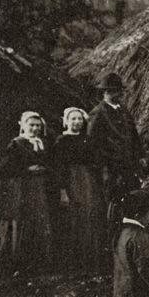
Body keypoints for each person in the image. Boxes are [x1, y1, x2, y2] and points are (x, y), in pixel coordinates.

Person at [87, 73, 145, 228]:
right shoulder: (98, 113)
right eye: (111, 90)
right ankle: (111, 236)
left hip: (128, 165)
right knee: (111, 203)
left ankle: (126, 233)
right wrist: (105, 164)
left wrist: (140, 156)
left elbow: (134, 137)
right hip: (111, 168)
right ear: (105, 92)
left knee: (129, 199)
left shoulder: (124, 111)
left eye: (118, 90)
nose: (116, 94)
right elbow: (92, 144)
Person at [0, 111, 54, 270]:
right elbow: (6, 169)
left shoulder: (43, 143)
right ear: (23, 125)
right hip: (23, 187)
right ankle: (21, 259)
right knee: (24, 218)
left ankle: (40, 259)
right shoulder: (16, 144)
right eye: (31, 125)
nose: (35, 128)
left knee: (40, 218)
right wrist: (26, 170)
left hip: (40, 186)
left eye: (38, 125)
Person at [52, 107, 105, 271]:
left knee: (91, 216)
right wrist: (62, 191)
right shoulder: (61, 141)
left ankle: (92, 258)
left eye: (79, 119)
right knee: (75, 217)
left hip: (88, 181)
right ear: (67, 121)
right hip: (71, 181)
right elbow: (59, 167)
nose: (76, 122)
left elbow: (95, 162)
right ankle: (76, 261)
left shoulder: (88, 140)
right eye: (73, 119)